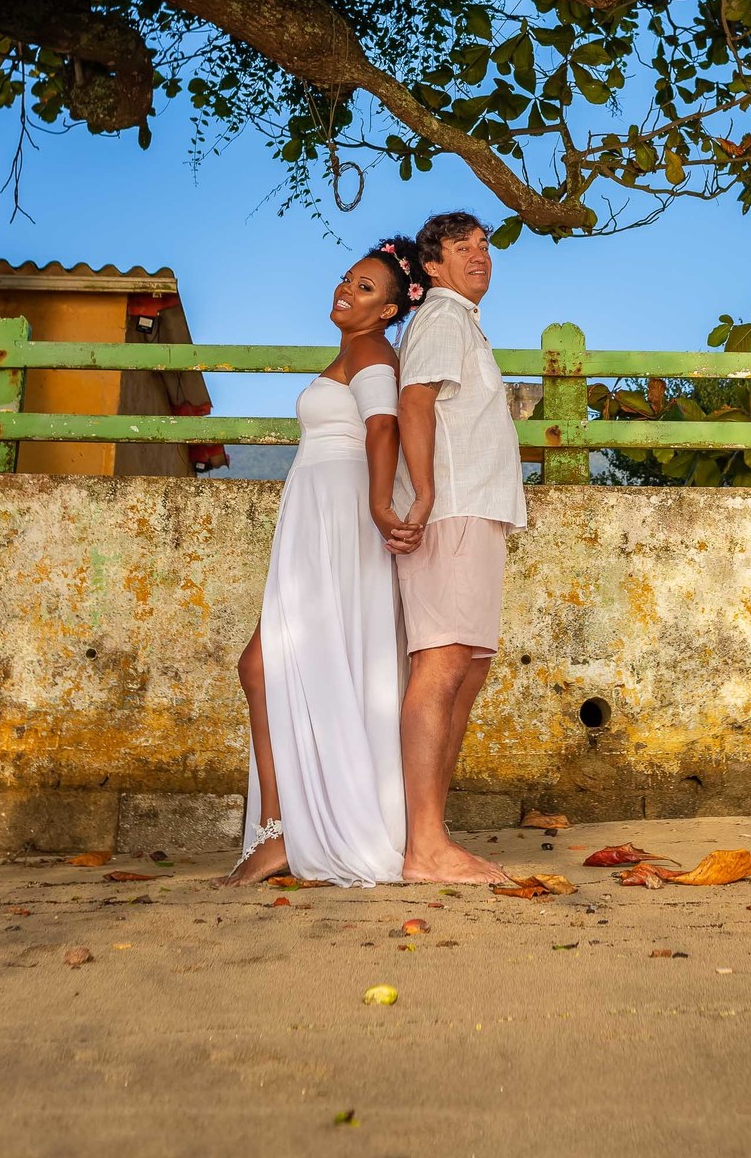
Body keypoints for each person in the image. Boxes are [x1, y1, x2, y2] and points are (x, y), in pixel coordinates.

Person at [225, 237, 427, 886]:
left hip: (339, 517)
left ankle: (284, 832)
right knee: (273, 668)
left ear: (389, 311)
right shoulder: (349, 352)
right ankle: (285, 828)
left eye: (365, 288)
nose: (346, 289)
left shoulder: (371, 351)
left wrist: (378, 504)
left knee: (262, 666)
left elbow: (384, 425)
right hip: (317, 514)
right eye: (346, 278)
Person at [391, 211, 527, 883]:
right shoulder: (443, 317)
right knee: (442, 666)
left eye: (484, 245)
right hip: (451, 509)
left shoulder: (463, 323)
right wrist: (423, 495)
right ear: (433, 266)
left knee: (465, 673)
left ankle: (429, 834)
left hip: (476, 509)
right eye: (461, 247)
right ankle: (423, 847)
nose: (480, 255)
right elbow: (415, 402)